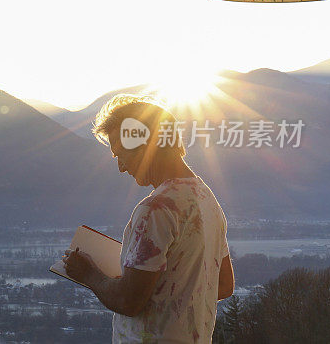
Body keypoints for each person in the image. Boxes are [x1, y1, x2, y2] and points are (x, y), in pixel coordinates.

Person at [63, 94, 234, 343]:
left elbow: (128, 301)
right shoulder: (206, 199)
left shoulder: (154, 210)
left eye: (121, 154)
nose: (121, 167)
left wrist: (88, 273)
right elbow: (224, 285)